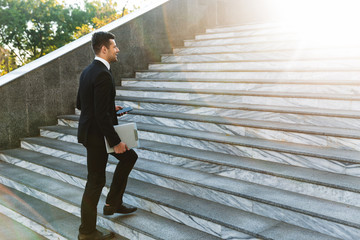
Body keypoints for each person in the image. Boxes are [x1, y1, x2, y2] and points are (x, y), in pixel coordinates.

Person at [76, 31, 138, 240]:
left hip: (91, 133)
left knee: (130, 157)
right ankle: (87, 232)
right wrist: (116, 142)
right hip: (97, 136)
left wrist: (111, 107)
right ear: (104, 49)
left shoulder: (87, 71)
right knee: (95, 181)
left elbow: (81, 104)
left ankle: (114, 202)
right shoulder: (102, 73)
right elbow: (101, 116)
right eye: (114, 46)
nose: (117, 49)